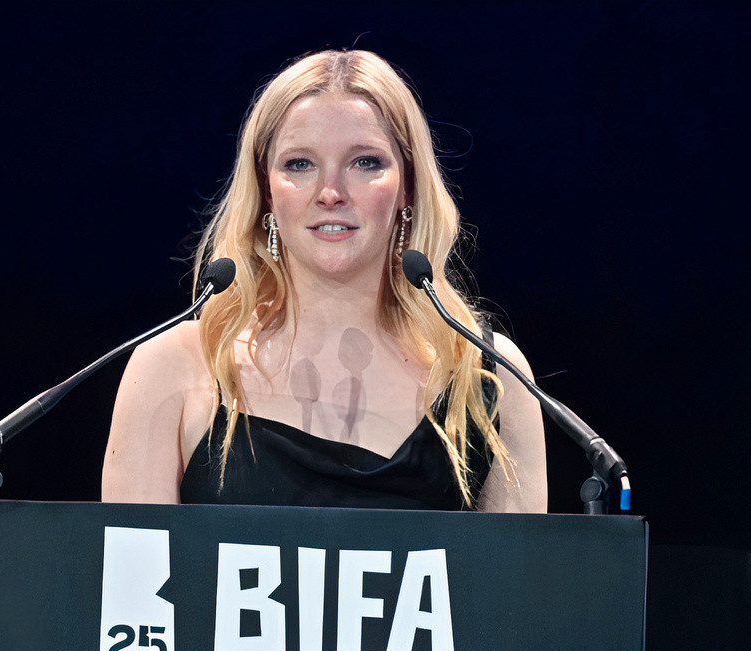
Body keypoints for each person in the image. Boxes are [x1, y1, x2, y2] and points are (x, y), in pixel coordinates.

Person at [101, 50, 546, 512]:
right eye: (300, 164)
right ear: (266, 190)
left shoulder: (488, 377)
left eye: (365, 162)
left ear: (408, 187)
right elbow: (130, 560)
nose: (330, 193)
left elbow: (520, 562)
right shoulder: (173, 368)